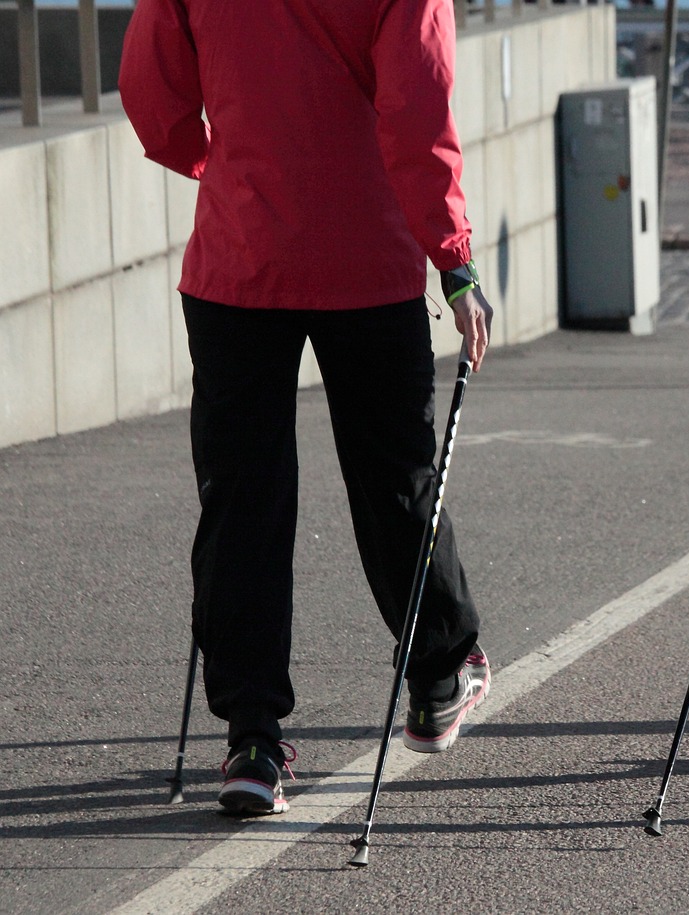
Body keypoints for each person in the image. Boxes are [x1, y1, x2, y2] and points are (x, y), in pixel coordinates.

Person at [119, 0, 495, 817]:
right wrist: (454, 258)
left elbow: (151, 95)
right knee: (393, 472)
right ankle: (436, 669)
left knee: (241, 495)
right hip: (367, 257)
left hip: (237, 255)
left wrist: (221, 164)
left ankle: (252, 738)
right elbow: (416, 109)